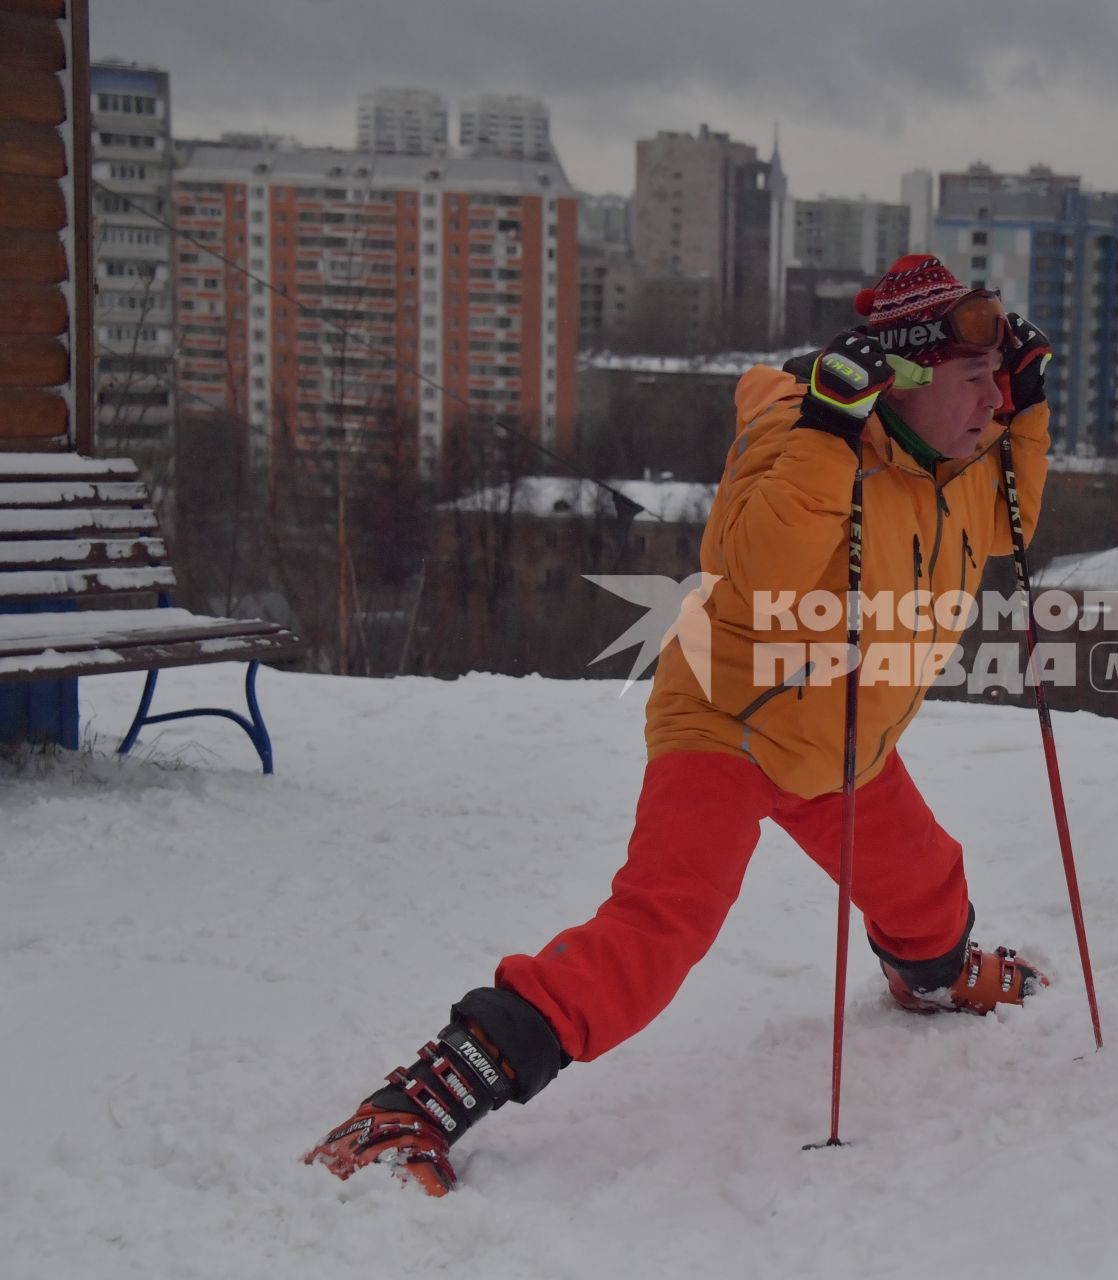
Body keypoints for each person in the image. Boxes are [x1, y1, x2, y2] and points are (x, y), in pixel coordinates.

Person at [304, 254, 1054, 1195]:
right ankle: (417, 1102)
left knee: (929, 891)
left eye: (1001, 381)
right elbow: (764, 572)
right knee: (659, 933)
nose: (994, 400)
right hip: (732, 722)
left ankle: (932, 977)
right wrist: (828, 427)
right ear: (900, 380)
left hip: (844, 737)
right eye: (978, 381)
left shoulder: (958, 468)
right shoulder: (796, 434)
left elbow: (1007, 529)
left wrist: (1030, 413)